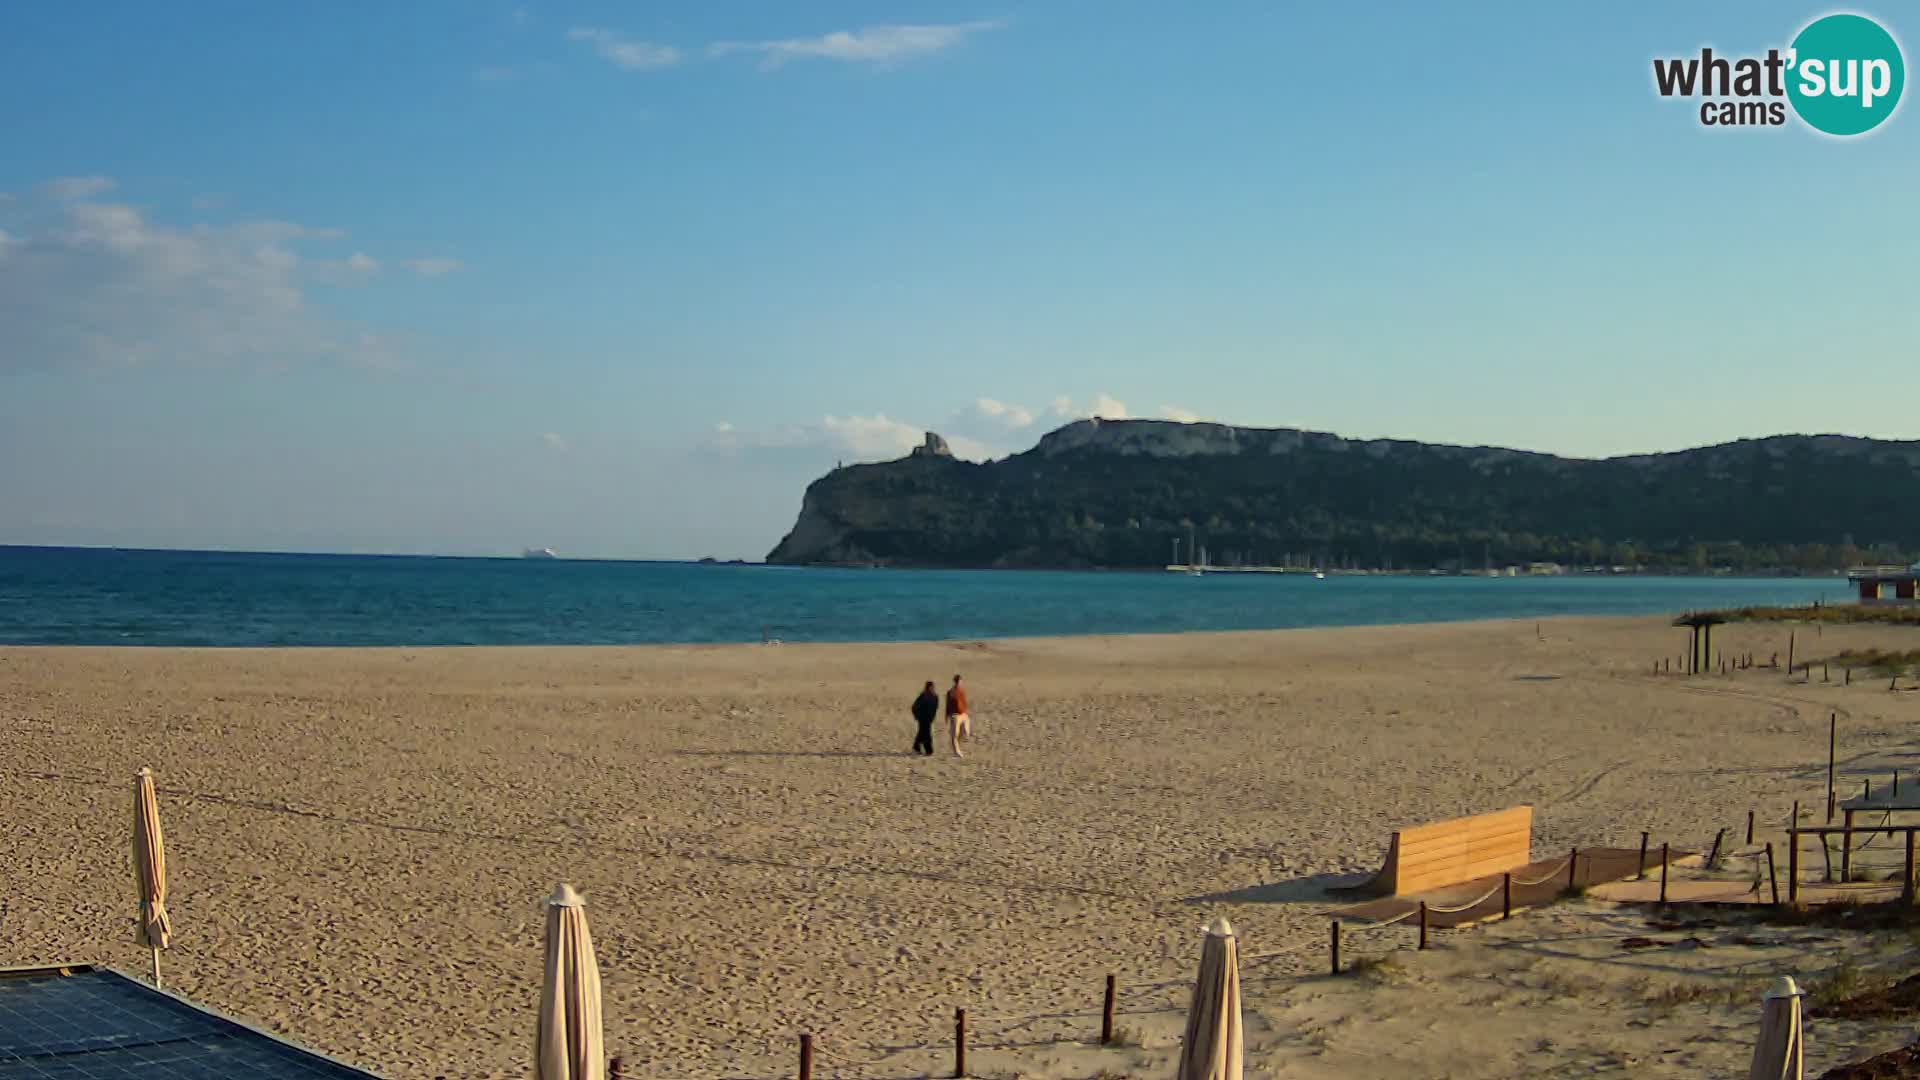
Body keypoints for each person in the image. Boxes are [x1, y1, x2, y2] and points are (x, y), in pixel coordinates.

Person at [945, 674, 971, 757]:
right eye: (960, 681)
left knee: (965, 731)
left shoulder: (962, 690)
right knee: (955, 734)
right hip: (955, 715)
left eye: (961, 681)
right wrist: (947, 715)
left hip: (963, 714)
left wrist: (965, 711)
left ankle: (957, 746)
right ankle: (956, 751)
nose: (961, 683)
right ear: (956, 682)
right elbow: (948, 705)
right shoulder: (951, 692)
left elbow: (964, 701)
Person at [911, 681, 939, 756]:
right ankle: (929, 751)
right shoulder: (923, 696)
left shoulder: (935, 696)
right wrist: (917, 716)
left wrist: (933, 716)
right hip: (922, 718)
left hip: (930, 718)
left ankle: (916, 747)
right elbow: (914, 706)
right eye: (930, 687)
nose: (932, 688)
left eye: (932, 687)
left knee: (921, 733)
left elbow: (935, 707)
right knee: (926, 734)